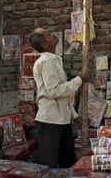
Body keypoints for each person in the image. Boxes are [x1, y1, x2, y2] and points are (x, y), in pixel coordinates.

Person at [29, 28, 89, 168]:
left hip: (62, 121)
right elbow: (54, 91)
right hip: (50, 122)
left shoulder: (55, 60)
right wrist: (79, 79)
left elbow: (63, 97)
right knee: (47, 164)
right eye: (48, 35)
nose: (53, 34)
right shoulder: (46, 62)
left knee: (68, 161)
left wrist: (74, 116)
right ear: (45, 45)